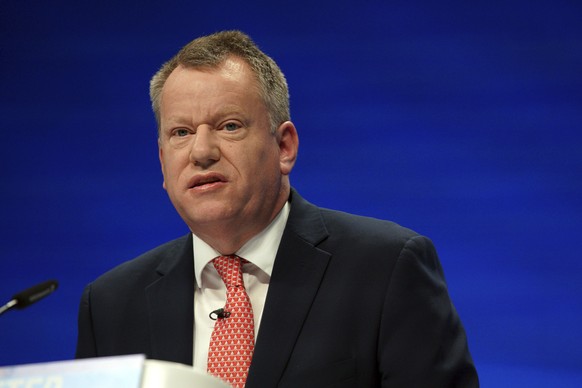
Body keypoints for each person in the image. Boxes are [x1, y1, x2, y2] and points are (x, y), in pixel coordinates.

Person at [76, 30, 479, 387]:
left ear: (284, 147)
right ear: (163, 163)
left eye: (229, 125)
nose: (201, 152)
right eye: (181, 133)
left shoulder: (386, 268)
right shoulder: (110, 305)